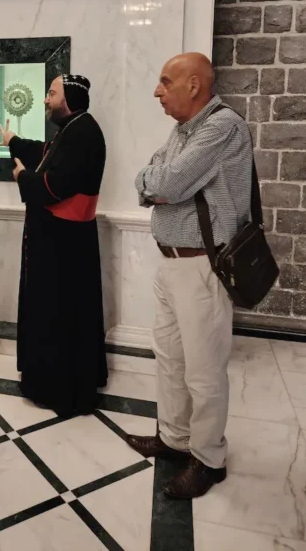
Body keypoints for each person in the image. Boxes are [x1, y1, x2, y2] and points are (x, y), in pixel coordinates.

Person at [126, 52, 253, 499]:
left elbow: (166, 184)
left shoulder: (221, 127)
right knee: (171, 359)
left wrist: (158, 184)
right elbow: (145, 178)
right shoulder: (183, 130)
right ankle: (175, 439)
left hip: (203, 264)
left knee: (203, 371)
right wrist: (155, 183)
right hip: (171, 262)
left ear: (195, 85)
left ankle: (208, 458)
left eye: (165, 82)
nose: (157, 91)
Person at [0, 74, 107, 418]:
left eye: (51, 93)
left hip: (63, 248)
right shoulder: (74, 128)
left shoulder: (83, 133)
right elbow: (45, 154)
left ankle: (58, 389)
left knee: (59, 315)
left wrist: (21, 177)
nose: (45, 99)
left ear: (69, 100)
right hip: (60, 243)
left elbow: (52, 187)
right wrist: (14, 141)